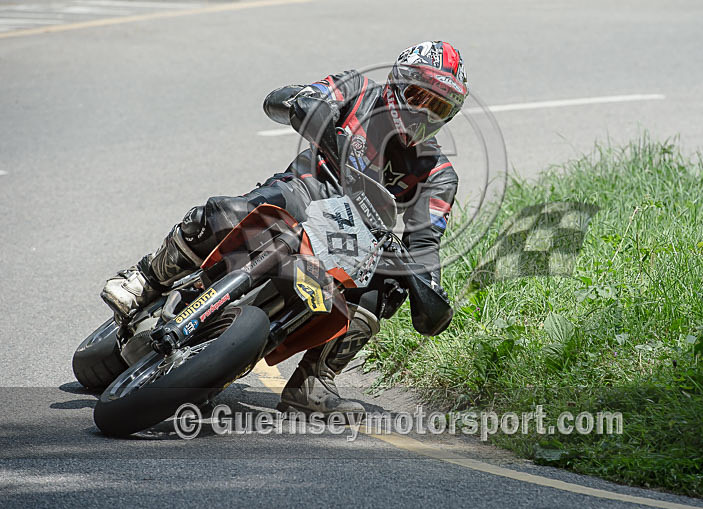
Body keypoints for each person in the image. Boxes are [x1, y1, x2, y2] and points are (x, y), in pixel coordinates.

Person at [101, 41, 468, 416]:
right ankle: (145, 279)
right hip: (301, 192)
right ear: (395, 84)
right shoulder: (355, 90)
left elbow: (425, 243)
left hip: (356, 238)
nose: (423, 112)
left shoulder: (438, 175)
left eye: (438, 106)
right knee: (226, 210)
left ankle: (314, 380)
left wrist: (429, 290)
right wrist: (310, 111)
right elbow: (292, 99)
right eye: (417, 96)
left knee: (387, 286)